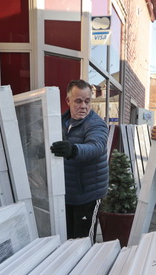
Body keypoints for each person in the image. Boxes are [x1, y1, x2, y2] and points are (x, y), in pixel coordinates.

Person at [50, 80, 109, 239]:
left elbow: (96, 147)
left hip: (87, 196)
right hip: (66, 194)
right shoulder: (59, 123)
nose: (83, 106)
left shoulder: (97, 124)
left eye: (87, 101)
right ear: (68, 101)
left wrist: (73, 149)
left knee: (83, 243)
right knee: (67, 238)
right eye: (78, 101)